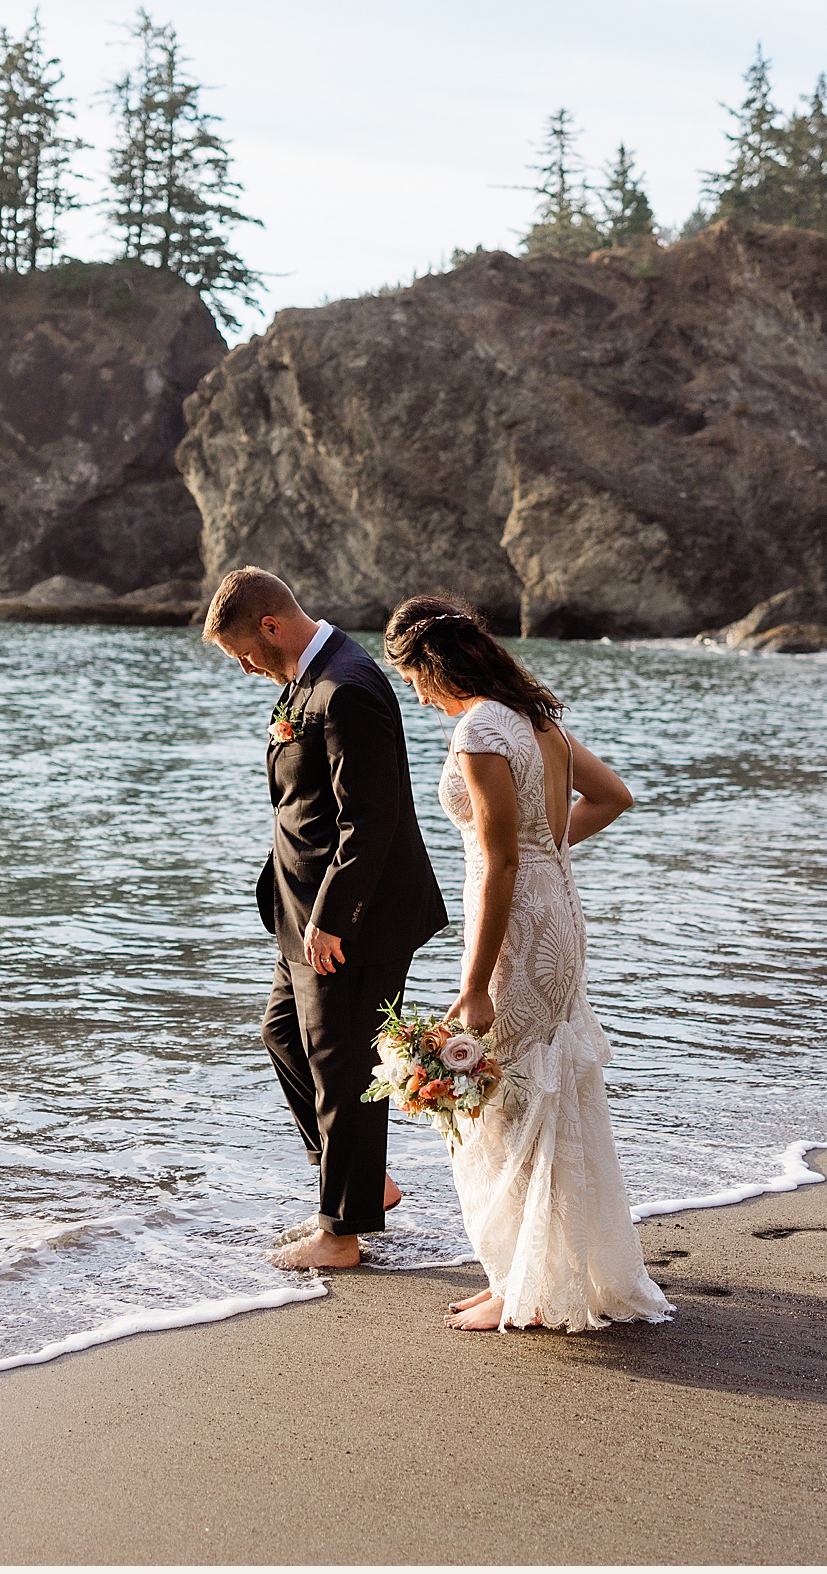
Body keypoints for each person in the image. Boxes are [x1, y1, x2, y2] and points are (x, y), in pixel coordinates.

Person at [382, 594, 673, 1332]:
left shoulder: (482, 728)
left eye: (415, 677)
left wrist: (474, 985)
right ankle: (529, 1275)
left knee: (501, 1103)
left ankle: (523, 1285)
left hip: (515, 921)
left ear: (438, 663)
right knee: (541, 1091)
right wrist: (549, 848)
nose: (416, 695)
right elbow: (612, 798)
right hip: (560, 913)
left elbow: (501, 858)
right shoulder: (535, 720)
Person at [202, 568, 449, 1272]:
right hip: (302, 912)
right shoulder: (309, 681)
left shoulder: (346, 689)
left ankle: (341, 1233)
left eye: (244, 654)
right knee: (284, 1034)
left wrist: (335, 917)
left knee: (344, 1067)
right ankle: (361, 1182)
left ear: (271, 627)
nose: (247, 670)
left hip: (350, 918)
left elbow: (369, 821)